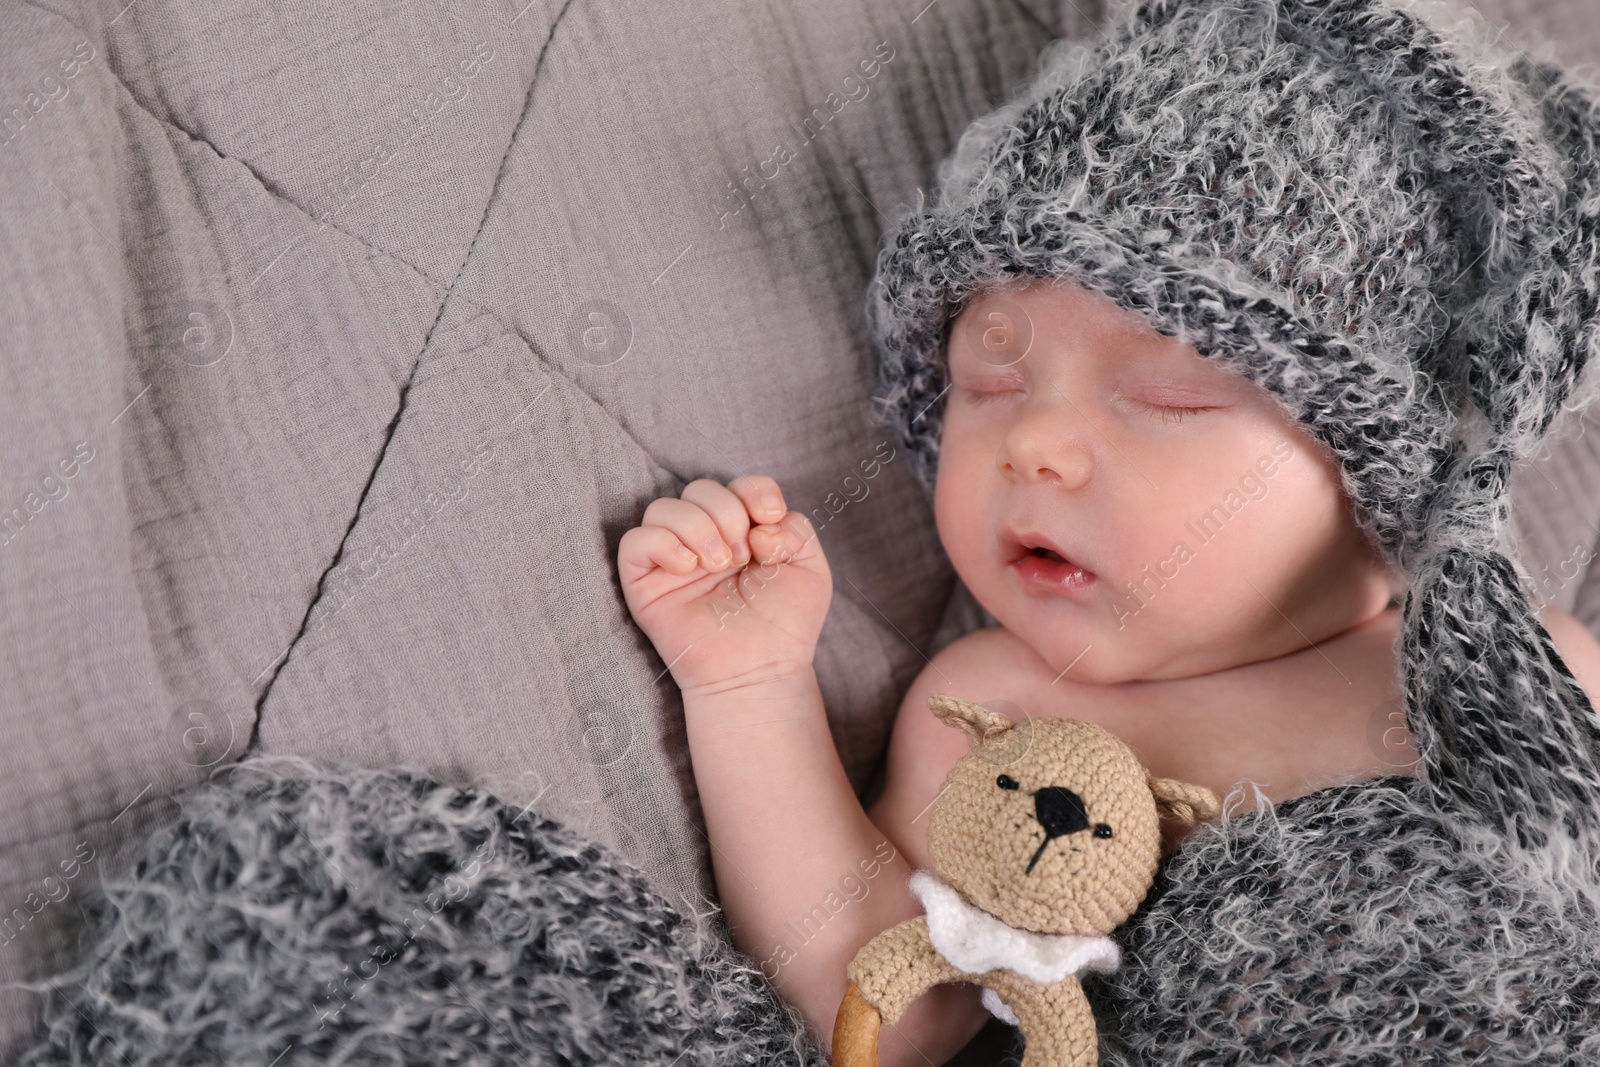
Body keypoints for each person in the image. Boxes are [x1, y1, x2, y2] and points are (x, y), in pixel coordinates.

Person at [619, 0, 1600, 1062]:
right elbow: (884, 1009)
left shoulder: (1513, 680)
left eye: (1165, 395)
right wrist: (748, 690)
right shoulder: (991, 711)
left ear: (1384, 483)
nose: (1034, 440)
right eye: (988, 379)